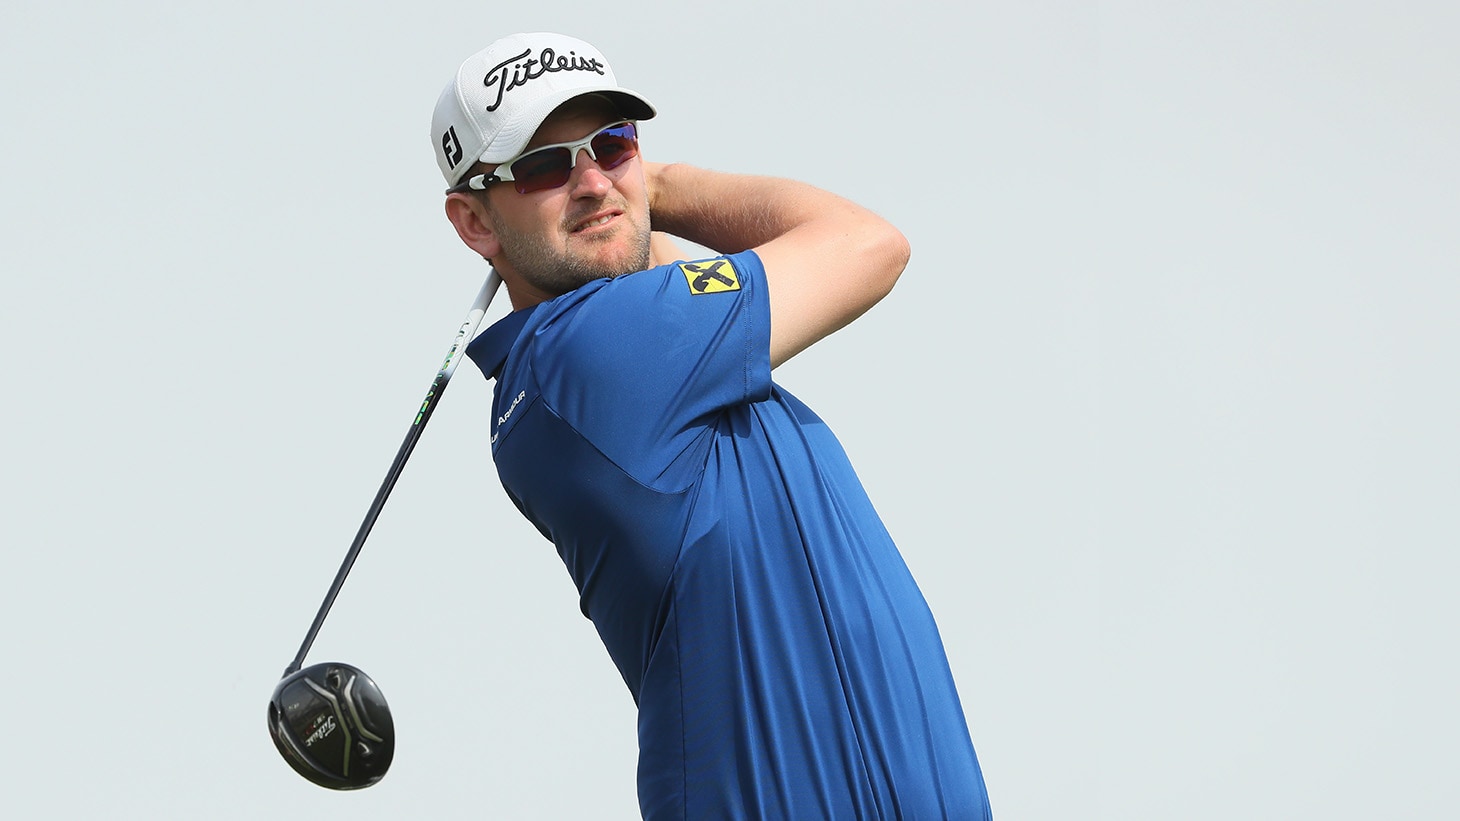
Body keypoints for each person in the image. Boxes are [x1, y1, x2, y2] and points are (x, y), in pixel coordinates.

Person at [432, 32, 992, 820]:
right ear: (474, 222)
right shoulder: (594, 350)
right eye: (544, 167)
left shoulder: (632, 358)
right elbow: (869, 244)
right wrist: (656, 183)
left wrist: (616, 197)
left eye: (613, 145)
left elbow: (650, 264)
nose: (591, 182)